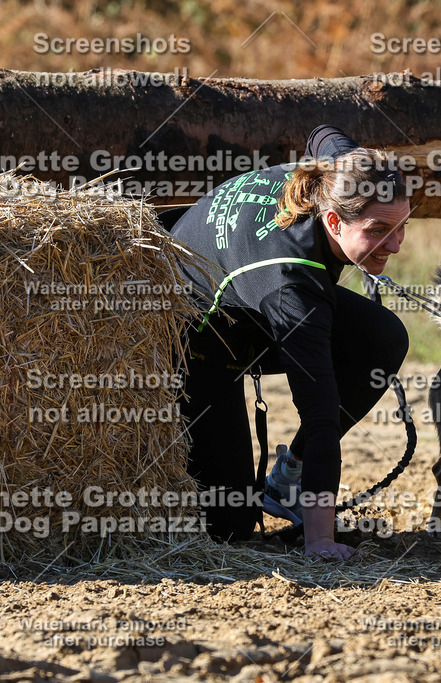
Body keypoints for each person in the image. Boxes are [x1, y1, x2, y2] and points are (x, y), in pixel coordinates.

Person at [168, 125, 410, 560]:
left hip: (246, 289)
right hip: (196, 336)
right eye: (378, 230)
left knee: (383, 338)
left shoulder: (342, 171)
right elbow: (319, 413)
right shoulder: (292, 287)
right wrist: (320, 540)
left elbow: (323, 132)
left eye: (402, 226)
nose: (394, 245)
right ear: (333, 221)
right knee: (228, 525)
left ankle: (288, 478)